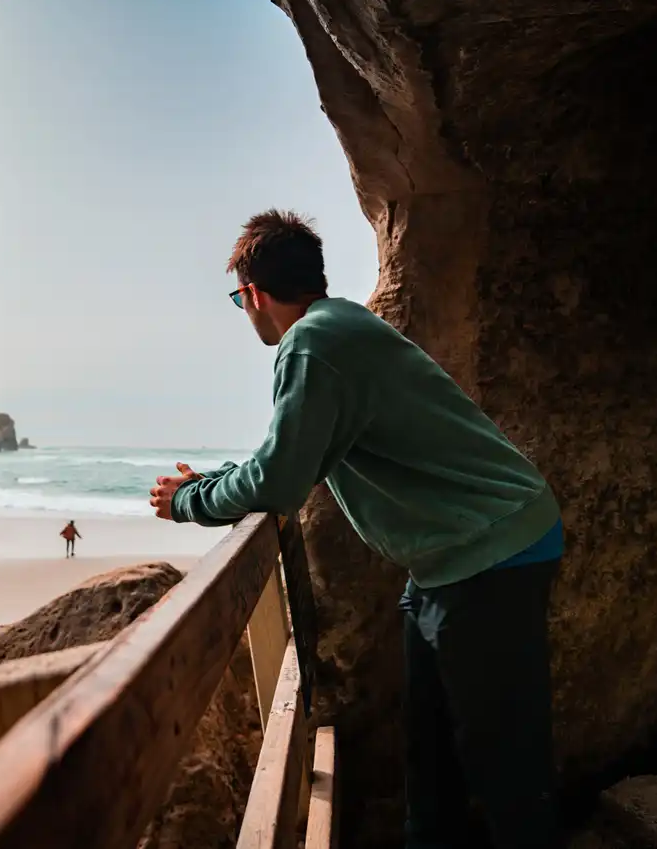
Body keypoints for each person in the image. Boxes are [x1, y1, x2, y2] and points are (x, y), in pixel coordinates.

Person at [149, 209, 564, 849]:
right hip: (448, 564)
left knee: (504, 769)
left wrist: (187, 503)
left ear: (254, 293)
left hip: (491, 553)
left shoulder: (313, 343)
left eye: (240, 299)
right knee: (430, 763)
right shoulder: (338, 329)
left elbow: (280, 482)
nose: (245, 311)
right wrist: (212, 482)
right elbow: (288, 456)